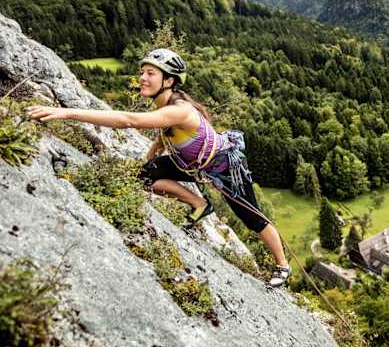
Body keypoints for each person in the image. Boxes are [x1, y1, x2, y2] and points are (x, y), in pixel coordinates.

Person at [27, 48, 291, 287]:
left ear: (169, 81)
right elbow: (163, 136)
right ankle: (200, 205)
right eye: (142, 72)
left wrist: (66, 112)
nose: (142, 77)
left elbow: (128, 121)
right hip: (193, 166)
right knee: (144, 176)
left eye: (150, 73)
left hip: (223, 166)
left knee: (252, 217)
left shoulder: (181, 110)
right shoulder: (164, 105)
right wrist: (150, 159)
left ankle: (282, 265)